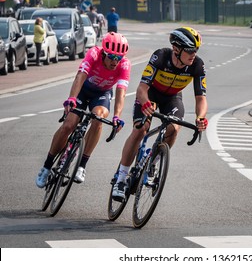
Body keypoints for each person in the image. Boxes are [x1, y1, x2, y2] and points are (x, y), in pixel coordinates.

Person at [111, 27, 208, 200]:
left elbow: (201, 98)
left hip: (173, 98)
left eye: (196, 50)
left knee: (174, 128)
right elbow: (142, 88)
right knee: (140, 129)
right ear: (177, 49)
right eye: (190, 50)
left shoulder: (197, 65)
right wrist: (146, 102)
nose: (194, 54)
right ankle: (121, 178)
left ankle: (153, 162)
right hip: (151, 95)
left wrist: (200, 117)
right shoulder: (161, 56)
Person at [35, 32, 131, 188]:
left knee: (98, 118)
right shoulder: (94, 53)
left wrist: (117, 116)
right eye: (112, 57)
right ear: (104, 53)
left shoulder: (124, 64)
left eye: (118, 58)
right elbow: (80, 76)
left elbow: (121, 91)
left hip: (102, 94)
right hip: (83, 90)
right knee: (69, 125)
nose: (115, 61)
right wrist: (72, 98)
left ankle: (82, 165)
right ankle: (46, 166)